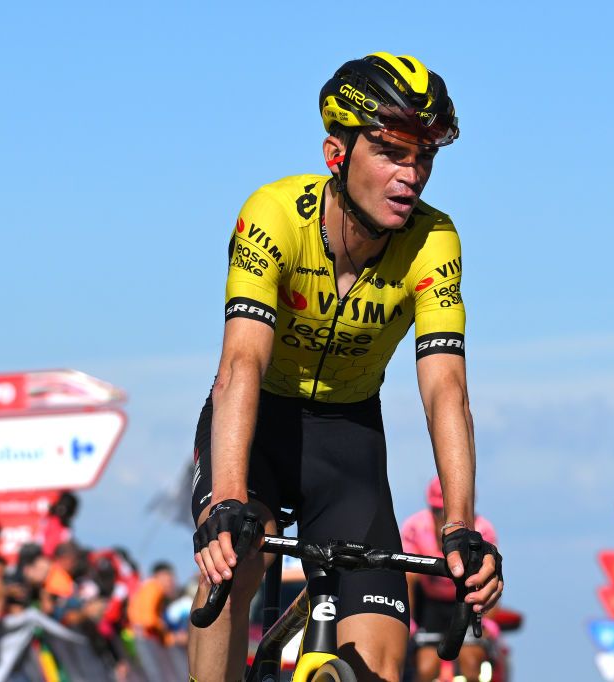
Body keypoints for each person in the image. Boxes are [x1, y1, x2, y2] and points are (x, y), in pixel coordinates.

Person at [188, 52, 502, 681]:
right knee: (235, 561)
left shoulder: (434, 241)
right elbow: (242, 363)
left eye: (425, 157)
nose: (410, 175)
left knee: (381, 660)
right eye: (391, 152)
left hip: (348, 442)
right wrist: (226, 497)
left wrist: (461, 526)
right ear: (337, 153)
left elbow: (446, 388)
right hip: (258, 429)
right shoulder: (273, 217)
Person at [401, 477, 501, 682]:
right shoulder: (415, 527)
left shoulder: (484, 529)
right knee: (425, 667)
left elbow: (492, 578)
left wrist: (489, 621)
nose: (443, 518)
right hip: (428, 606)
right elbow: (408, 579)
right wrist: (407, 621)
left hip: (468, 601)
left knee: (472, 665)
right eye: (438, 511)